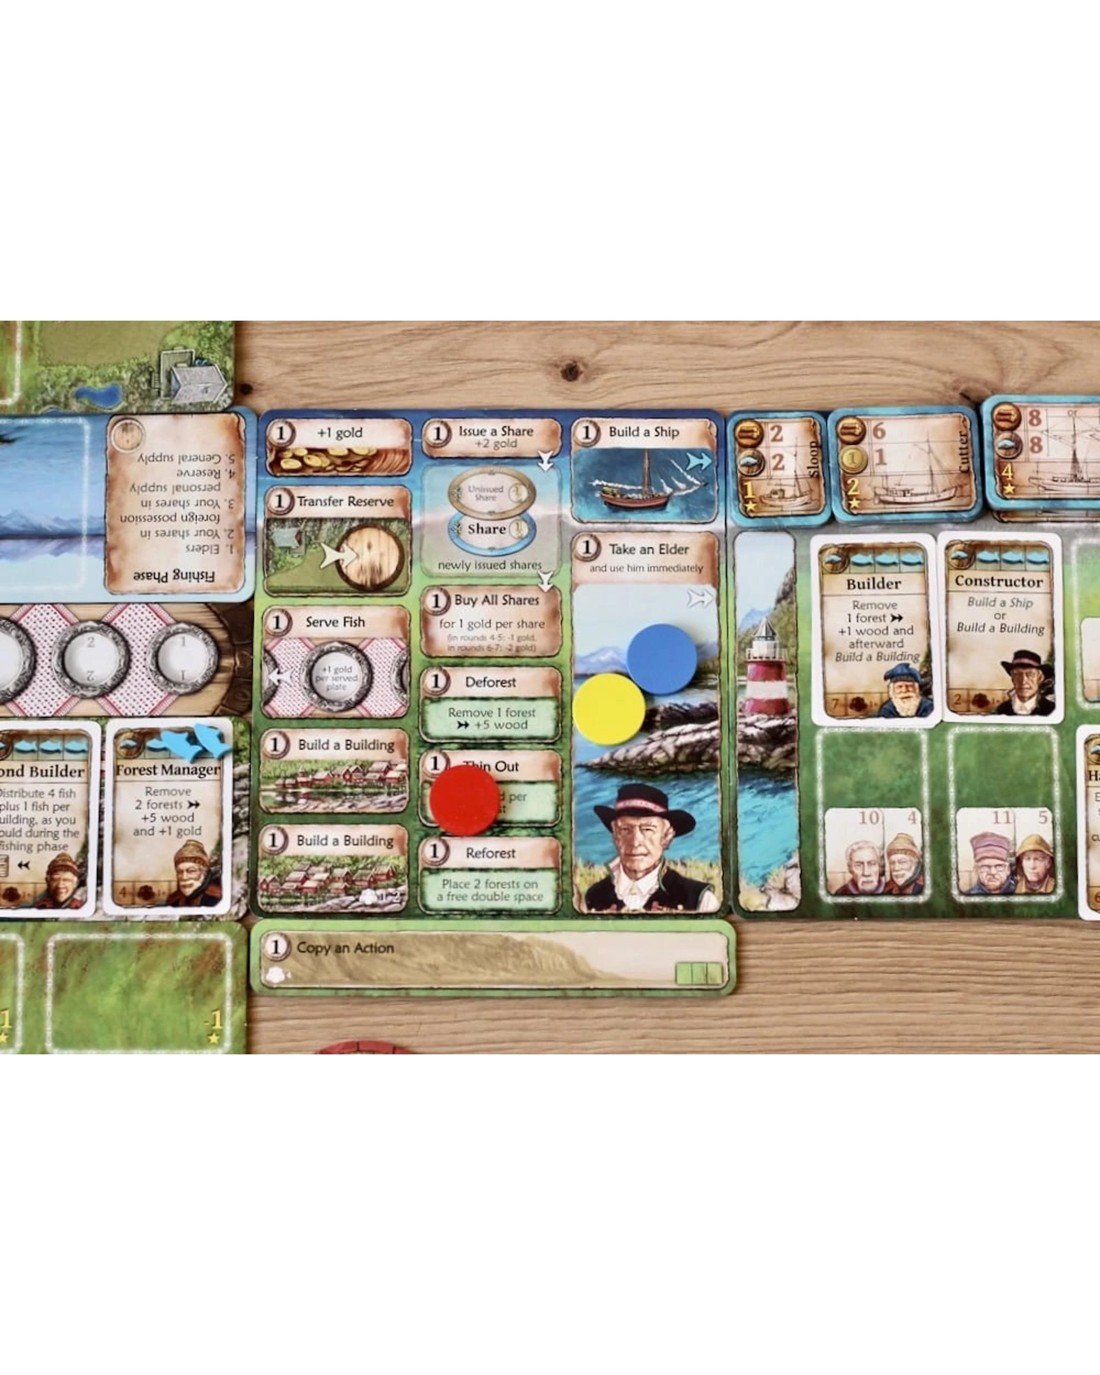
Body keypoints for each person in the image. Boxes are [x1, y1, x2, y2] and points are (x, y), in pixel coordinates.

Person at [583, 783, 719, 913]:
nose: (635, 842)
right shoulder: (592, 898)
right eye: (625, 829)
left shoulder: (700, 901)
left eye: (648, 829)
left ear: (666, 837)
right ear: (615, 837)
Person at [993, 649, 1055, 717]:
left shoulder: (1052, 710)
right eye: (1018, 675)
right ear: (1013, 679)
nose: (1023, 681)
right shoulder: (1001, 711)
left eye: (1030, 674)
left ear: (1040, 679)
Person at [165, 839, 223, 908]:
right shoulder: (173, 901)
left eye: (191, 871)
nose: (184, 877)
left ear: (204, 872)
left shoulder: (217, 898)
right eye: (180, 872)